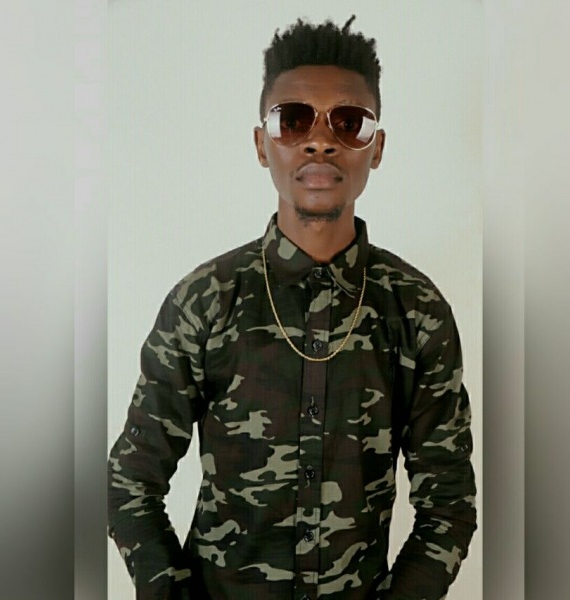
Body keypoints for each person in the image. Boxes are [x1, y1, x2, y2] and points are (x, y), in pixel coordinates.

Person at [108, 16, 477, 600]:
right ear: (263, 145)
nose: (320, 141)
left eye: (349, 123)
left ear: (377, 148)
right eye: (293, 119)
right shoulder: (204, 301)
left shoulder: (416, 311)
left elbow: (449, 503)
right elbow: (131, 480)